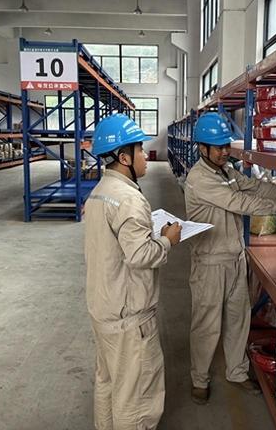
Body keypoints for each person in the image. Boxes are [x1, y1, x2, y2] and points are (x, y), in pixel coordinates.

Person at [184, 112, 276, 405]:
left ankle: (237, 372)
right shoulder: (198, 179)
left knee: (238, 318)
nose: (224, 151)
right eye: (218, 147)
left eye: (226, 145)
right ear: (202, 148)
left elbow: (255, 187)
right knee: (206, 324)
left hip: (234, 256)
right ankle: (200, 379)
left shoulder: (226, 171)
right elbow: (239, 202)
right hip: (210, 262)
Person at [84, 113, 182, 429]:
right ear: (124, 157)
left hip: (104, 308)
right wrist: (167, 240)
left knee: (109, 382)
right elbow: (141, 255)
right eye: (140, 150)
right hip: (129, 317)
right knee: (136, 398)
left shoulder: (100, 191)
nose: (145, 156)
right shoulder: (128, 199)